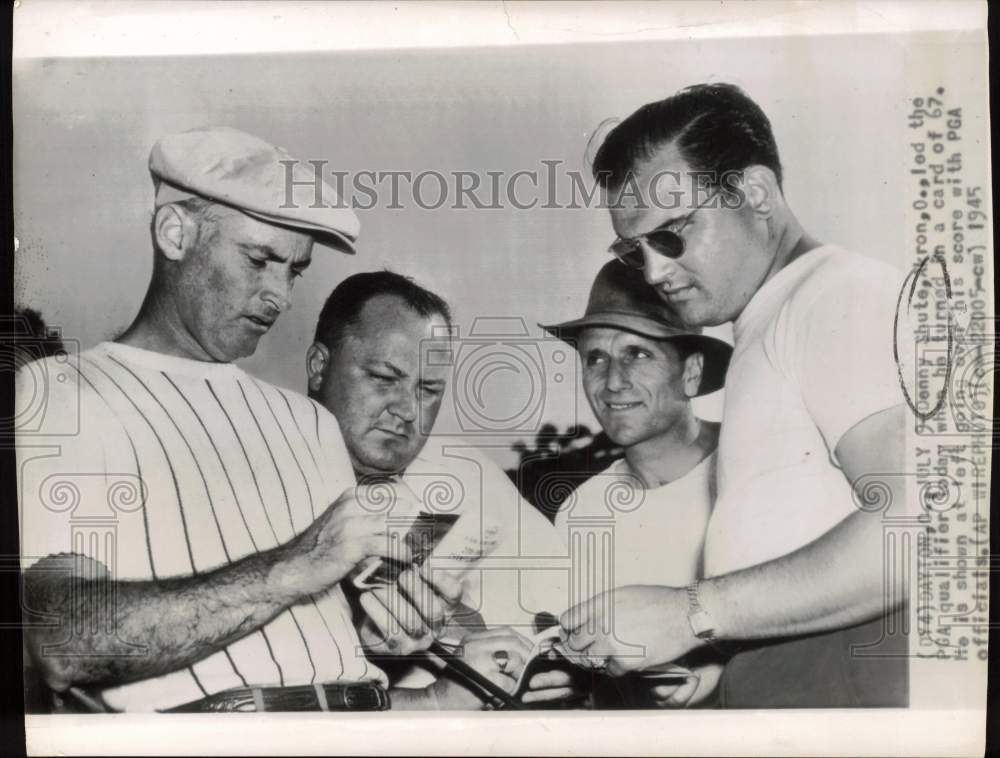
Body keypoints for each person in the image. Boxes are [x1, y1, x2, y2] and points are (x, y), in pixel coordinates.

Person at [16, 126, 532, 713]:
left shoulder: (307, 422)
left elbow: (344, 643)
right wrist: (300, 563)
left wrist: (409, 640)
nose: (280, 296)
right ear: (174, 233)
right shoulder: (61, 390)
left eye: (295, 271)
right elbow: (62, 643)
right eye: (260, 260)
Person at [559, 83, 909, 707]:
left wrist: (690, 613)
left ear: (755, 193)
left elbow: (924, 522)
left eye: (670, 234)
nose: (654, 272)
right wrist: (727, 661)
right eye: (632, 250)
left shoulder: (833, 296)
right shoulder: (775, 317)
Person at [306, 270, 577, 707]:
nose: (408, 410)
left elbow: (563, 606)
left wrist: (558, 663)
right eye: (383, 378)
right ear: (319, 366)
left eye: (428, 389)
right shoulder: (259, 482)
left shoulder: (461, 473)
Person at [540, 260, 732, 707]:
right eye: (596, 359)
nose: (612, 382)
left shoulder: (753, 466)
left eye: (637, 354)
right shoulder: (582, 510)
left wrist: (717, 670)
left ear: (691, 372)